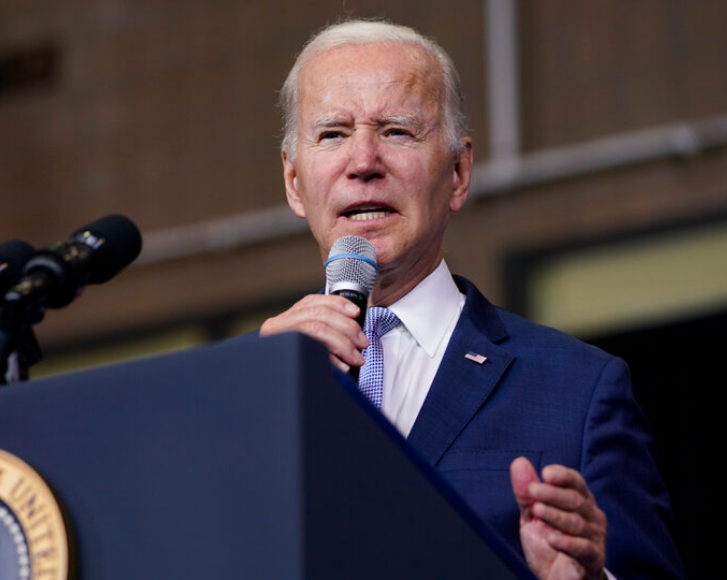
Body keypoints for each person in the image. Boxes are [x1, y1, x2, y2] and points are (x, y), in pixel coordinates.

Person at [259, 18, 687, 580]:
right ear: (294, 181)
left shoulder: (577, 392)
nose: (363, 162)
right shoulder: (242, 396)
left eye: (396, 132)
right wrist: (250, 400)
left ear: (459, 173)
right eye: (333, 134)